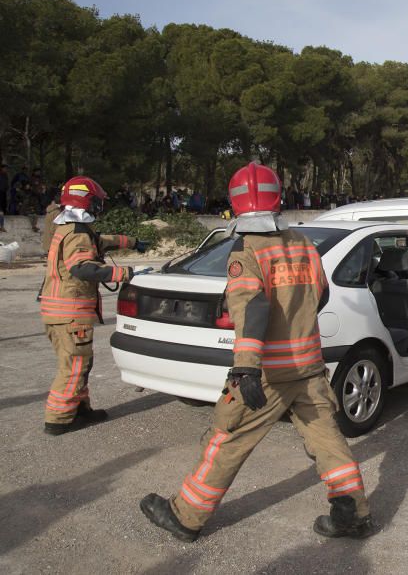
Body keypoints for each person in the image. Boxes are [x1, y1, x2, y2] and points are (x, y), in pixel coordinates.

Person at [141, 163, 375, 543]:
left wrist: (246, 369)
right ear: (277, 198)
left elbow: (254, 308)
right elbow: (322, 294)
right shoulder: (301, 243)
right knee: (328, 440)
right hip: (309, 367)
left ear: (234, 205)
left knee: (227, 437)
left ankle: (186, 516)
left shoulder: (246, 251)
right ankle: (354, 513)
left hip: (267, 373)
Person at [39, 176, 149, 435]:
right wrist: (127, 273)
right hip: (70, 311)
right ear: (88, 202)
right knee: (74, 365)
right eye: (97, 202)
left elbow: (100, 241)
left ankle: (80, 408)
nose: (99, 207)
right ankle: (59, 418)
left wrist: (132, 242)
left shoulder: (68, 227)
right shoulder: (77, 233)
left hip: (58, 310)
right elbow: (83, 268)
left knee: (80, 363)